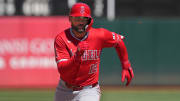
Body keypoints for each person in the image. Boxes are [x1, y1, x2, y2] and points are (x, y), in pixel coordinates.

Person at [54, 2, 134, 101]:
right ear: (70, 19)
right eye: (77, 19)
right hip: (64, 89)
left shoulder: (99, 35)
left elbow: (118, 41)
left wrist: (126, 64)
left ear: (90, 21)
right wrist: (77, 56)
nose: (81, 22)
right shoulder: (62, 38)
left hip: (88, 90)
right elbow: (62, 69)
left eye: (84, 19)